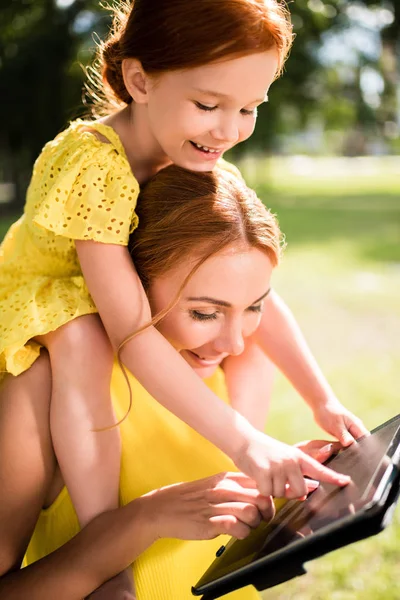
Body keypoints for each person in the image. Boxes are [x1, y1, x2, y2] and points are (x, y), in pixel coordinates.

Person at [0, 0, 367, 594]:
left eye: (249, 108)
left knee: (240, 338)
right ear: (140, 81)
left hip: (113, 302)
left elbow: (255, 293)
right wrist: (246, 443)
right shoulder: (94, 164)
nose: (229, 129)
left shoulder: (198, 157)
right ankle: (105, 540)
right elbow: (133, 333)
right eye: (208, 104)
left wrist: (321, 400)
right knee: (84, 339)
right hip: (48, 293)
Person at [0, 165, 336, 600]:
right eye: (204, 313)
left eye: (254, 306)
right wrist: (143, 520)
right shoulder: (46, 385)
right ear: (129, 286)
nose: (233, 343)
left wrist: (271, 502)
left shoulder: (238, 364)